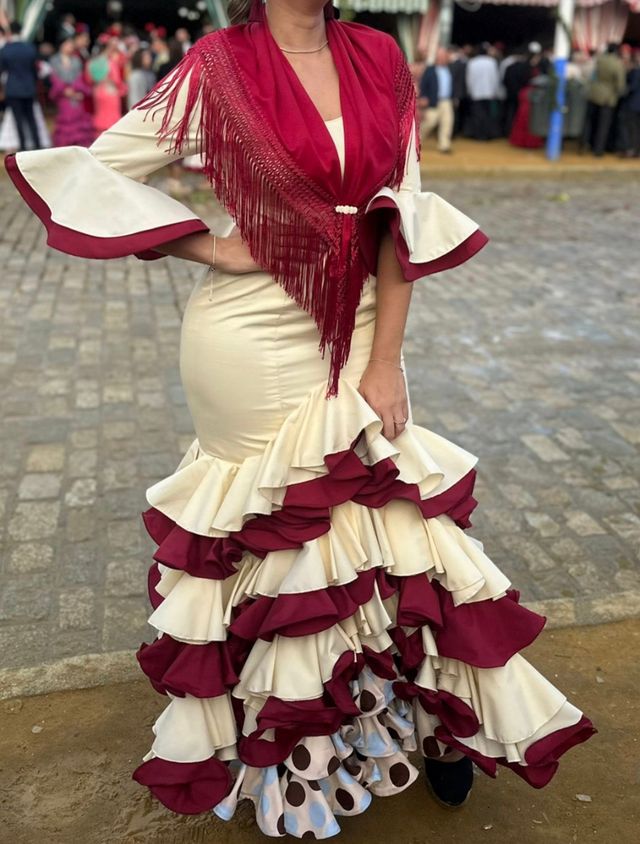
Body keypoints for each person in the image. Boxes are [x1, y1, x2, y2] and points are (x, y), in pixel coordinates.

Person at [5, 0, 595, 835]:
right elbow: (89, 170)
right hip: (244, 337)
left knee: (397, 517)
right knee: (280, 540)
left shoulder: (380, 57)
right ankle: (298, 757)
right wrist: (208, 246)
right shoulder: (215, 66)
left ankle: (430, 720)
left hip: (360, 326)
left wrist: (387, 359)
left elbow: (404, 212)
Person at [0, 20, 41, 151]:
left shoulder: (6, 49)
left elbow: (1, 70)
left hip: (13, 88)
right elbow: (35, 70)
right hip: (29, 87)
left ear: (10, 32)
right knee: (31, 119)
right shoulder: (29, 47)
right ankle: (37, 144)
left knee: (18, 120)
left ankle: (23, 147)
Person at [581, 42, 626, 156]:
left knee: (590, 122)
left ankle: (585, 145)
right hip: (607, 97)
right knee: (603, 126)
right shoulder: (617, 64)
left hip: (593, 93)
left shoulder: (599, 59)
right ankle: (598, 150)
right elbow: (620, 85)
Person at [49, 37, 94, 147]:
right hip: (62, 96)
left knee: (78, 118)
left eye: (71, 44)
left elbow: (79, 79)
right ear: (61, 45)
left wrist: (76, 91)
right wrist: (64, 90)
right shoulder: (54, 61)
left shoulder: (76, 61)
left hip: (76, 95)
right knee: (65, 118)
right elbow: (54, 79)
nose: (70, 47)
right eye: (68, 44)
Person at [87, 36, 127, 134]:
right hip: (110, 93)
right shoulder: (111, 63)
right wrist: (123, 89)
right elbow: (117, 80)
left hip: (97, 92)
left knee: (100, 118)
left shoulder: (91, 63)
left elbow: (89, 79)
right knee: (111, 122)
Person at [419, 46, 454, 153]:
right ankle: (418, 140)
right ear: (437, 57)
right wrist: (423, 97)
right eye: (441, 56)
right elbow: (423, 84)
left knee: (447, 122)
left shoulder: (450, 69)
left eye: (445, 56)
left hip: (446, 101)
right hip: (433, 100)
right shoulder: (430, 69)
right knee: (430, 122)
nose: (443, 58)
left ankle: (444, 145)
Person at [465, 42, 500, 140]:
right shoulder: (492, 62)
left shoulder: (472, 62)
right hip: (489, 93)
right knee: (487, 115)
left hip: (476, 93)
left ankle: (477, 134)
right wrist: (495, 91)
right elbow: (495, 78)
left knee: (477, 115)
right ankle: (486, 134)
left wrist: (470, 91)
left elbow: (469, 79)